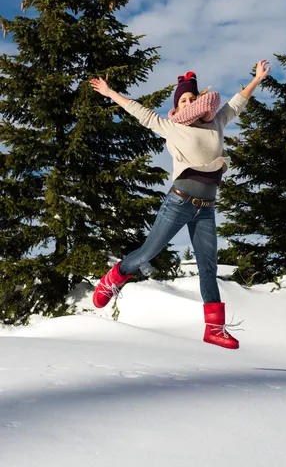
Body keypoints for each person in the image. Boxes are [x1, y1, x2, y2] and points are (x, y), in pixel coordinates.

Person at [90, 59, 270, 350]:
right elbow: (141, 113)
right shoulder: (171, 126)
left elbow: (237, 103)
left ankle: (214, 328)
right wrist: (111, 93)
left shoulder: (216, 122)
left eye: (191, 98)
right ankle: (116, 276)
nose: (188, 103)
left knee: (208, 267)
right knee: (150, 251)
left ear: (199, 101)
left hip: (206, 209)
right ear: (178, 106)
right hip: (179, 202)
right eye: (182, 100)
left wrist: (257, 78)